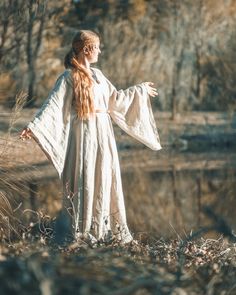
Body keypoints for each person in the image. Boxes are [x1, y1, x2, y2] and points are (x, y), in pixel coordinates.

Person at [20, 30, 162, 246]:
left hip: (103, 136)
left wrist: (139, 90)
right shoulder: (68, 77)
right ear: (87, 49)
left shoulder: (99, 76)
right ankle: (82, 231)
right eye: (97, 47)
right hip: (82, 137)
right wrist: (35, 126)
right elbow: (53, 105)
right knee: (84, 178)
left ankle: (105, 228)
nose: (100, 51)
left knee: (105, 177)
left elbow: (115, 100)